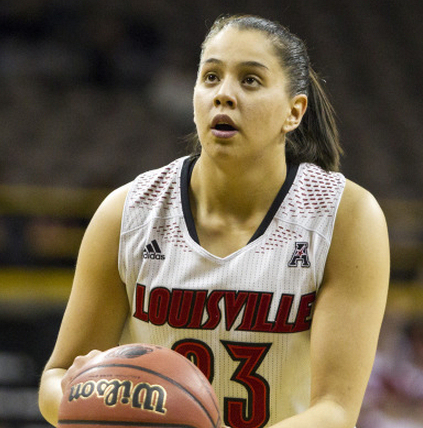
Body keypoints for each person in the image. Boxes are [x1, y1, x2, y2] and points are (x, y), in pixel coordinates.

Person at [38, 14, 389, 428]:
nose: (224, 95)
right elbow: (55, 379)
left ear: (293, 112)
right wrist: (88, 392)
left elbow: (335, 410)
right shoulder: (128, 213)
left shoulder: (344, 216)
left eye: (250, 80)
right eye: (210, 77)